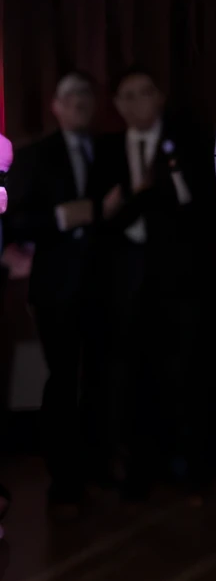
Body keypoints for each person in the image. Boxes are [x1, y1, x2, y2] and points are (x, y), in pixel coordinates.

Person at [96, 67, 216, 497]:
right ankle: (139, 469)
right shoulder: (107, 149)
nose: (135, 103)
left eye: (143, 93)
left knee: (185, 372)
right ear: (116, 104)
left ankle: (194, 471)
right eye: (126, 96)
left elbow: (201, 205)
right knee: (131, 375)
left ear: (159, 97)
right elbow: (101, 215)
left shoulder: (186, 141)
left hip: (180, 277)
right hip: (127, 279)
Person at [6, 71, 107, 509]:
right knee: (62, 380)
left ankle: (100, 468)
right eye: (71, 96)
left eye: (86, 95)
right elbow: (14, 223)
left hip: (106, 287)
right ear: (56, 106)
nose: (79, 103)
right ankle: (63, 481)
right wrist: (63, 218)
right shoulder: (33, 156)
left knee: (103, 378)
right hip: (54, 288)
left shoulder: (110, 150)